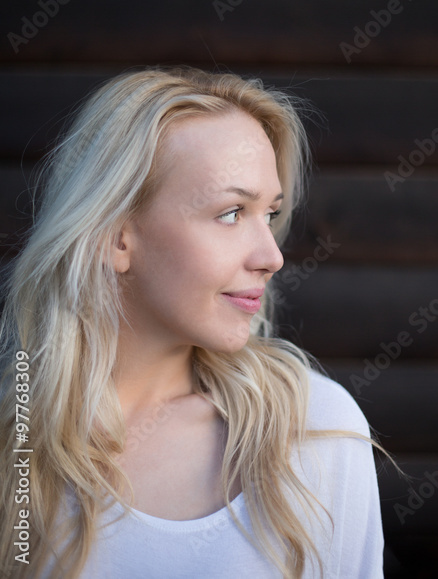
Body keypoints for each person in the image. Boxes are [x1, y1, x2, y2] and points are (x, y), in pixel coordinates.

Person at [0, 66, 386, 578]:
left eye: (269, 214)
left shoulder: (316, 433)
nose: (272, 256)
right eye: (230, 213)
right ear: (115, 237)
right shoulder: (17, 443)